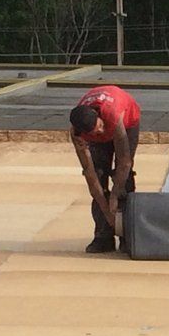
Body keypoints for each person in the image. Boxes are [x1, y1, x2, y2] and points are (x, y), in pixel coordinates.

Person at [68, 85, 140, 253]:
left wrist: (115, 195)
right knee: (100, 173)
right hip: (100, 129)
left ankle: (126, 235)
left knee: (124, 178)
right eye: (95, 132)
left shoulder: (112, 115)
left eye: (100, 126)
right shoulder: (77, 133)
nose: (101, 131)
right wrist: (107, 212)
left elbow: (124, 162)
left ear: (98, 116)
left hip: (127, 123)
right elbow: (89, 172)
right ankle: (103, 236)